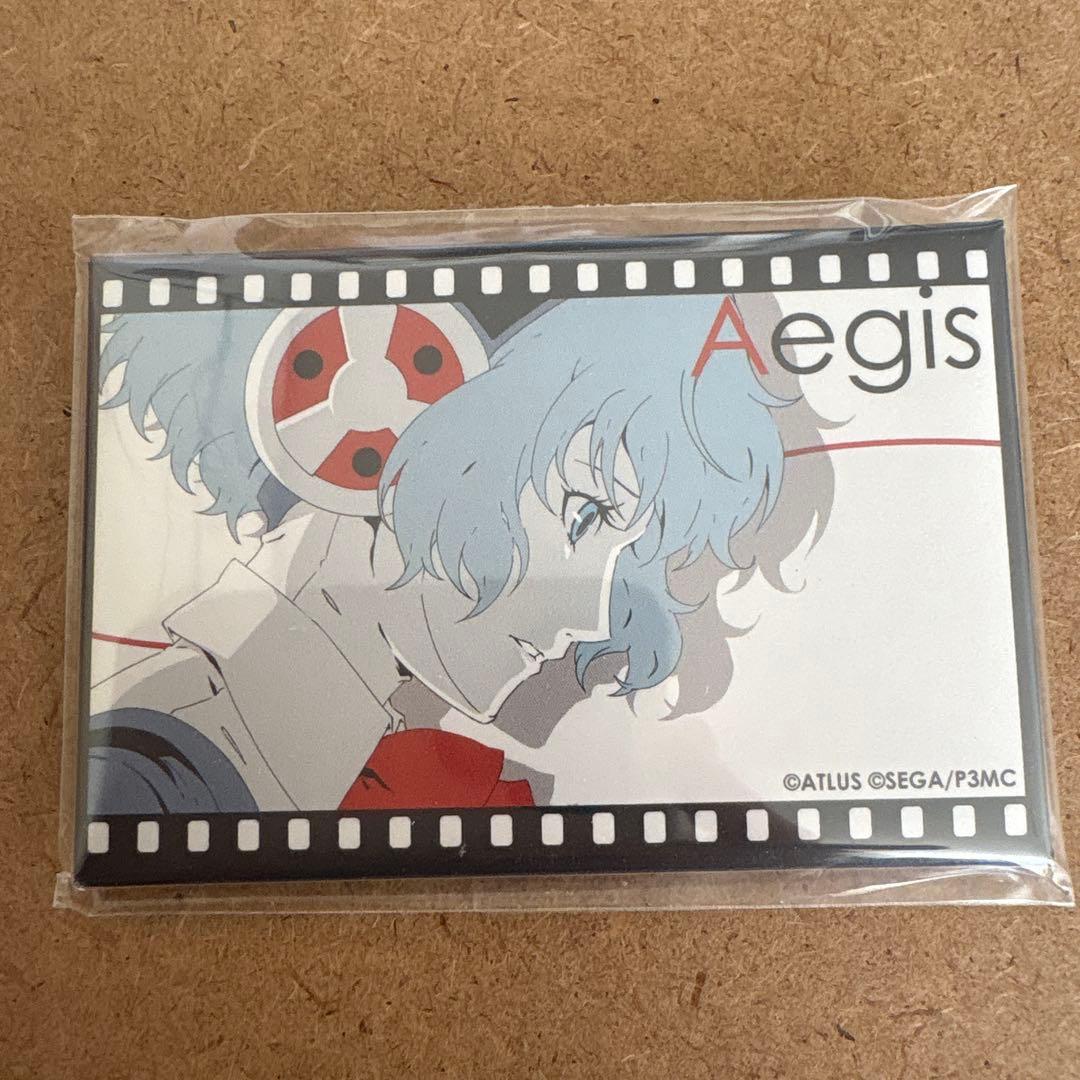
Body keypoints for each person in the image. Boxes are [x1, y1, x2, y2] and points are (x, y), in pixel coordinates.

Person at [87, 291, 829, 814]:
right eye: (584, 513)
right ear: (406, 427)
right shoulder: (150, 776)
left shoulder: (310, 761)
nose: (590, 616)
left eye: (620, 550)